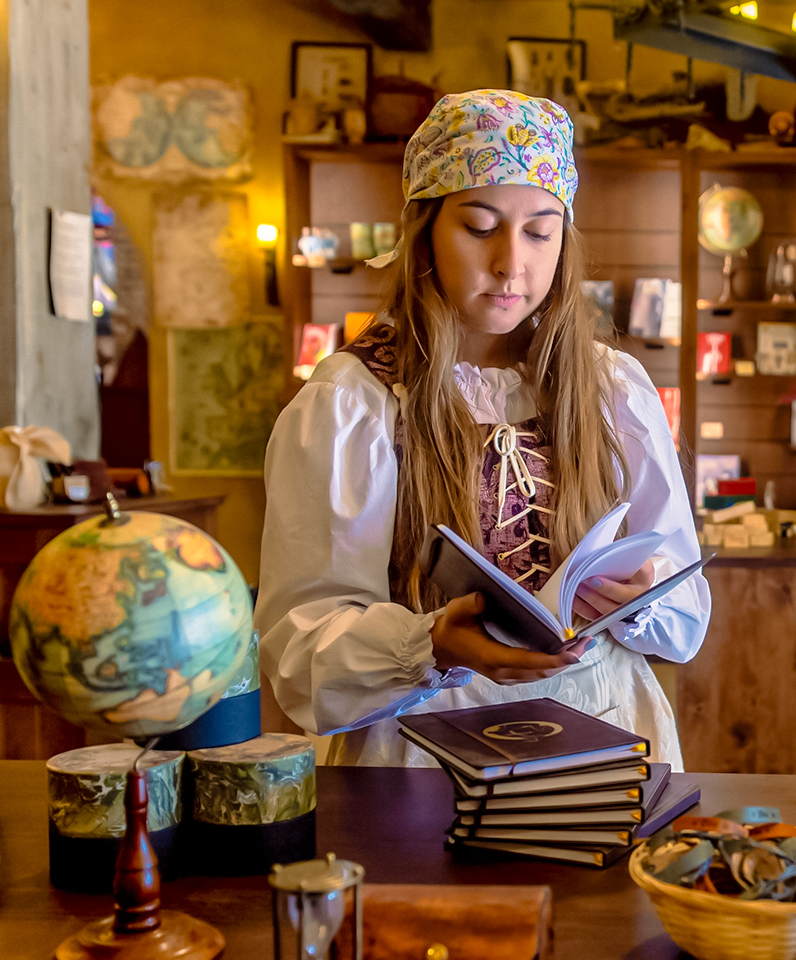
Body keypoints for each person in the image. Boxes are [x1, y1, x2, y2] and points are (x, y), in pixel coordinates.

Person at [256, 90, 709, 768]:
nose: (511, 263)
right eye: (479, 226)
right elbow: (301, 659)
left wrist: (642, 596)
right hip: (418, 761)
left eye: (539, 230)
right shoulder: (353, 404)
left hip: (604, 747)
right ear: (426, 230)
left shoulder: (614, 390)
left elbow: (686, 619)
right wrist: (430, 643)